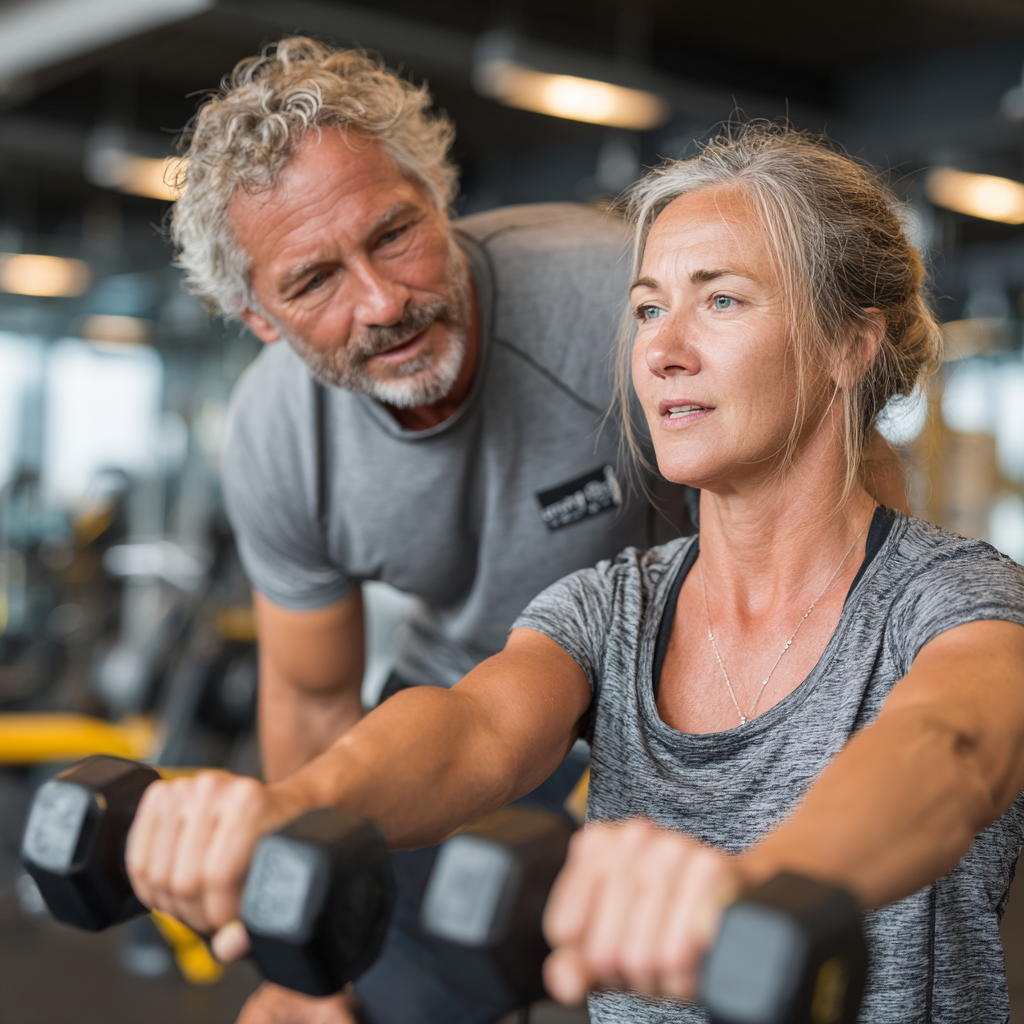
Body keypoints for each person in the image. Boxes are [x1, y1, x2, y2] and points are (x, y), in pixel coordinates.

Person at [166, 39, 911, 1024]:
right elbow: (310, 698)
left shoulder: (616, 298)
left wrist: (852, 702)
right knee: (389, 993)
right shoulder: (277, 438)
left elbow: (841, 465)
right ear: (258, 315)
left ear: (438, 194)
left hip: (684, 665)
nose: (383, 303)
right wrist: (306, 960)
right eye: (314, 282)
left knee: (745, 967)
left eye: (394, 233)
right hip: (461, 688)